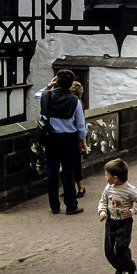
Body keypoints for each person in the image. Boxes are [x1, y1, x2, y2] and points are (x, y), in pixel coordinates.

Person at [39, 69, 87, 215]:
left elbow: (37, 94)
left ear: (57, 81)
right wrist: (83, 141)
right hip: (69, 139)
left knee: (52, 172)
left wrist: (48, 85)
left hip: (51, 138)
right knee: (68, 172)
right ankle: (71, 205)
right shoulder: (75, 101)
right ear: (71, 84)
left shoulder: (46, 96)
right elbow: (80, 125)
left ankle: (54, 205)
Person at [98, 158, 137, 274]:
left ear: (115, 178)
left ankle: (131, 269)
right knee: (109, 251)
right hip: (110, 222)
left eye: (106, 175)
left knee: (120, 249)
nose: (105, 177)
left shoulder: (130, 190)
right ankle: (120, 268)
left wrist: (132, 211)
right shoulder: (108, 187)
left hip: (124, 224)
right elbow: (103, 201)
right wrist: (102, 211)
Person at [70, 81, 86, 197]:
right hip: (75, 136)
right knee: (72, 164)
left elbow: (81, 123)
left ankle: (80, 187)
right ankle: (72, 187)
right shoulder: (75, 101)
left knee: (75, 163)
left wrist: (82, 140)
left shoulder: (77, 103)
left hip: (76, 136)